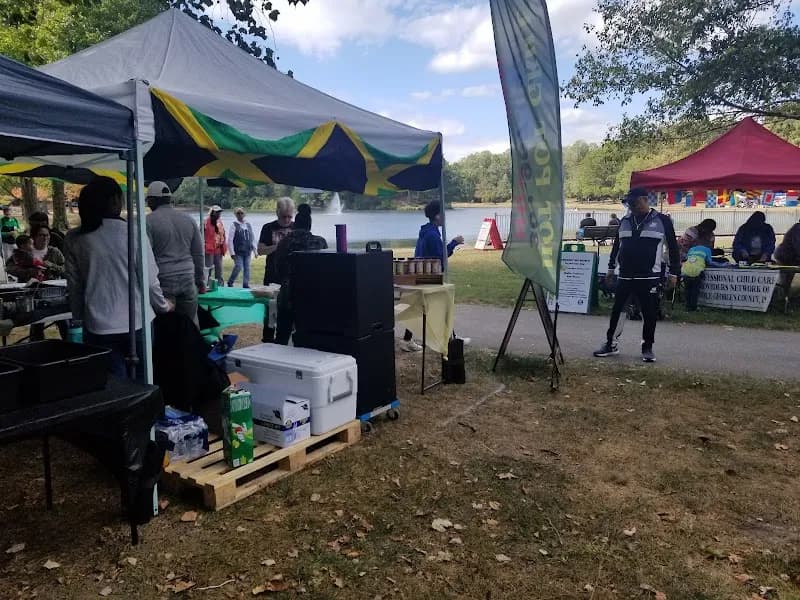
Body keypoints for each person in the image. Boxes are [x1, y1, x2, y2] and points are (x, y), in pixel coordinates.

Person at [64, 177, 173, 380]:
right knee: (143, 383)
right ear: (115, 201)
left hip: (97, 323)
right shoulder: (132, 232)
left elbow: (75, 285)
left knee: (113, 387)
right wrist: (163, 305)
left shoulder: (74, 238)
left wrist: (78, 316)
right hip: (137, 321)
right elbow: (148, 279)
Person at [594, 188, 680, 363]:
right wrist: (611, 268)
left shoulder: (663, 221)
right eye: (629, 204)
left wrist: (674, 273)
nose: (632, 207)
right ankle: (611, 344)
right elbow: (617, 246)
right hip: (625, 275)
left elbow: (673, 248)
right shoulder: (625, 220)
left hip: (649, 276)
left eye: (635, 203)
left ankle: (647, 347)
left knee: (649, 313)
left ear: (645, 199)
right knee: (617, 311)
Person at [400, 201, 464, 352]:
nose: (445, 217)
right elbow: (440, 256)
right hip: (428, 276)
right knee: (440, 304)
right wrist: (454, 242)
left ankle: (407, 340)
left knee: (420, 308)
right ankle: (450, 340)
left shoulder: (428, 231)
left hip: (421, 274)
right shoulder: (432, 234)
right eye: (443, 214)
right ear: (437, 216)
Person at [146, 181, 206, 325]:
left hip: (163, 281)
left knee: (165, 326)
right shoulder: (188, 220)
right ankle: (192, 347)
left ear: (152, 200)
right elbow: (198, 254)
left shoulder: (148, 221)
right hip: (187, 278)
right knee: (190, 324)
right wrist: (200, 280)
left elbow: (146, 256)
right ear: (169, 199)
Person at [271, 204, 327, 345]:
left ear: (295, 225)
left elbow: (278, 270)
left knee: (282, 336)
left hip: (288, 295)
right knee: (310, 336)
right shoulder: (320, 242)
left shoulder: (284, 243)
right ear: (309, 225)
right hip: (313, 296)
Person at [258, 197, 295, 342]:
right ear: (277, 213)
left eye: (289, 216)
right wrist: (278, 246)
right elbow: (260, 250)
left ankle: (283, 341)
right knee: (270, 313)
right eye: (283, 216)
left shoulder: (296, 228)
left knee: (287, 313)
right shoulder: (268, 228)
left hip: (290, 278)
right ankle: (267, 339)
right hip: (272, 276)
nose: (286, 220)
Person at [228, 207, 257, 288]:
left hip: (248, 251)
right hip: (238, 251)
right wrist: (232, 253)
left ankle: (245, 284)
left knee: (247, 268)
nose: (240, 215)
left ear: (244, 214)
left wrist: (255, 251)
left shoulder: (248, 224)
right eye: (238, 213)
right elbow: (230, 240)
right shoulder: (234, 225)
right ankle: (230, 282)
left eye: (241, 213)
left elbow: (252, 238)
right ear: (235, 215)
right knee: (238, 266)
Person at [682, 243, 713, 311]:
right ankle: (693, 307)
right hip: (697, 272)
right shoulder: (708, 250)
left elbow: (687, 258)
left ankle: (687, 306)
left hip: (686, 271)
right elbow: (709, 262)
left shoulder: (691, 249)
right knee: (695, 290)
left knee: (687, 290)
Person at [774, 220, 800, 293]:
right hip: (785, 257)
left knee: (786, 280)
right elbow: (797, 246)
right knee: (785, 280)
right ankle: (782, 298)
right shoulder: (797, 229)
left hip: (790, 257)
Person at [203, 205, 226, 285]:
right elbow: (200, 234)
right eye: (217, 212)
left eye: (219, 212)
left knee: (219, 268)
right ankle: (206, 284)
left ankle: (219, 285)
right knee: (208, 269)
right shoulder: (205, 222)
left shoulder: (220, 222)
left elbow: (223, 234)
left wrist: (223, 245)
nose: (218, 214)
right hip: (208, 249)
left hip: (218, 249)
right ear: (212, 213)